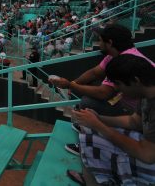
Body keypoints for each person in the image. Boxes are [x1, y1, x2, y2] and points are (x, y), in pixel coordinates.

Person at [49, 24, 154, 155]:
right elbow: (94, 72)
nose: (116, 87)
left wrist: (70, 85)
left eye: (100, 40)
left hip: (130, 111)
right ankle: (88, 129)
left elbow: (104, 93)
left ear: (110, 42)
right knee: (93, 94)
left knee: (88, 102)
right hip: (134, 113)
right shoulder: (117, 55)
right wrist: (74, 84)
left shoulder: (125, 64)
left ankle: (87, 143)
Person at [67, 55, 155, 185]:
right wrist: (99, 119)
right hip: (147, 148)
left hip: (149, 156)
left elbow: (147, 155)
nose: (117, 89)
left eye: (118, 84)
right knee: (89, 132)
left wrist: (98, 126)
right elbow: (134, 121)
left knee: (90, 140)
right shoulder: (147, 92)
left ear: (136, 81)